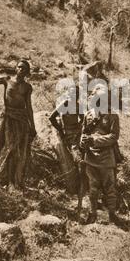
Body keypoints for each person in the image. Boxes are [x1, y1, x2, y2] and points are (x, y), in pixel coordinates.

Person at [0, 60, 36, 191]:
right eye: (19, 67)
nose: (21, 70)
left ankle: (14, 181)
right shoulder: (7, 80)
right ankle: (3, 179)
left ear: (27, 72)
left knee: (19, 152)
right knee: (10, 148)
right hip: (9, 119)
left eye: (24, 68)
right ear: (16, 68)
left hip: (22, 122)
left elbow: (29, 107)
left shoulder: (27, 87)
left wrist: (32, 126)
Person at [80, 83, 122, 226]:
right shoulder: (88, 115)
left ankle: (112, 215)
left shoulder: (112, 116)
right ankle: (92, 214)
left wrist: (95, 140)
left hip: (106, 156)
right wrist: (83, 141)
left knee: (110, 187)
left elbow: (114, 136)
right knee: (92, 187)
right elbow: (84, 133)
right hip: (91, 156)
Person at [49, 85, 86, 214]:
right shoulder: (64, 104)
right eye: (71, 93)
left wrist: (81, 129)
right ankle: (79, 194)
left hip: (78, 134)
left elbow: (84, 120)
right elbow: (52, 118)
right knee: (79, 160)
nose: (73, 95)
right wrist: (61, 130)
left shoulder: (78, 105)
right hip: (69, 135)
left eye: (76, 93)